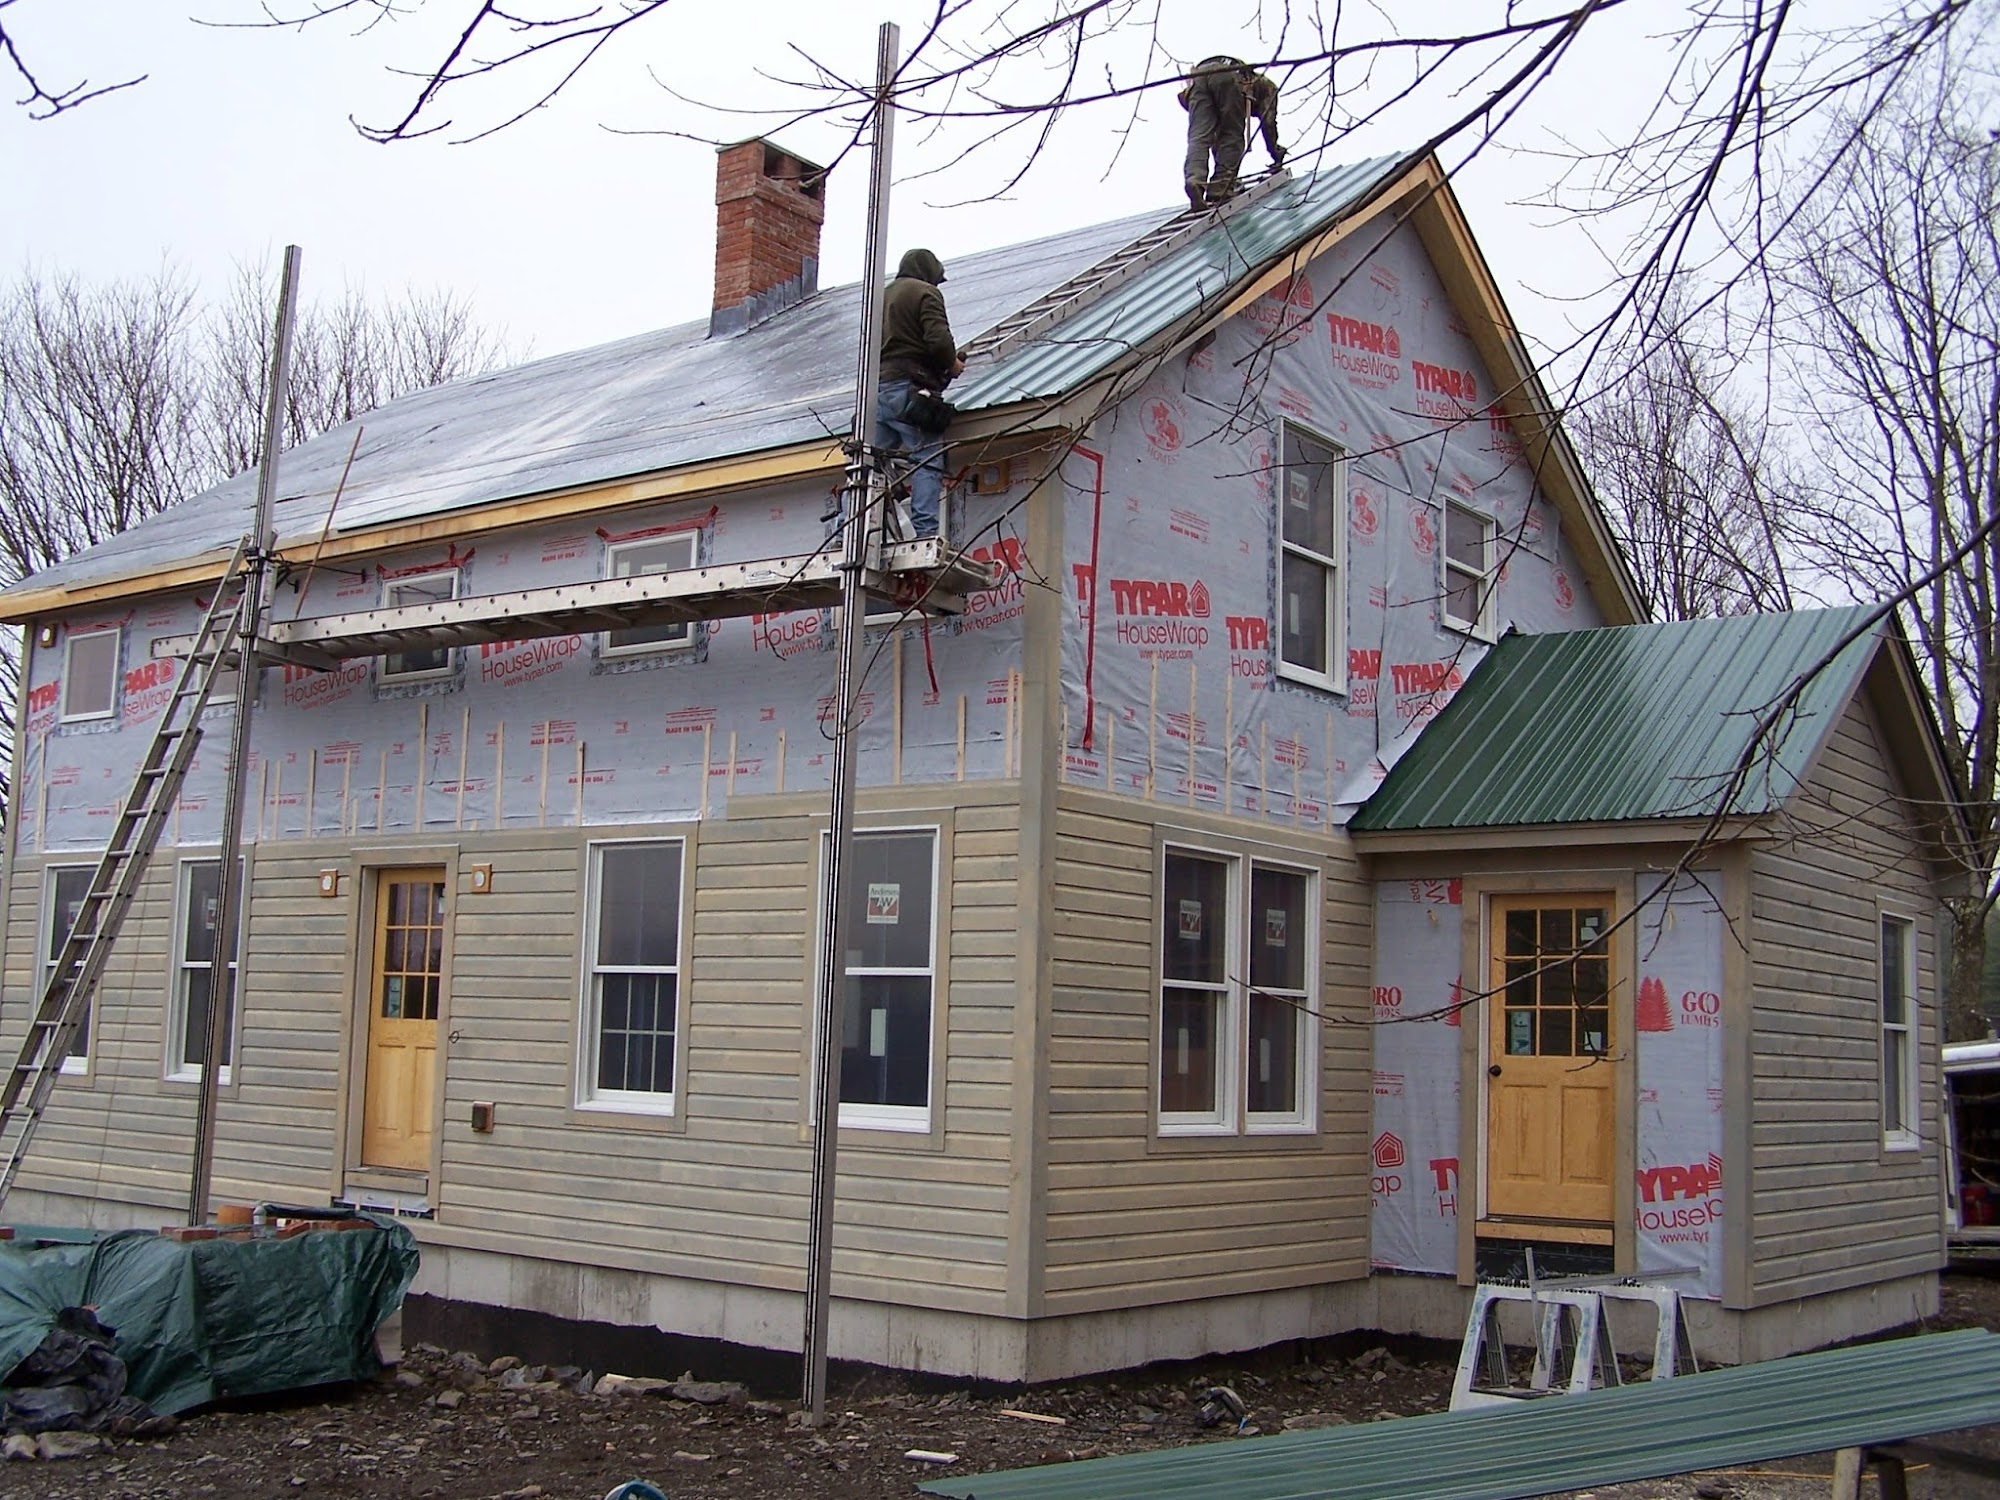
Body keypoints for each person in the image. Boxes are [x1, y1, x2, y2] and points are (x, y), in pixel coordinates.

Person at [876, 248, 965, 541]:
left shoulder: (881, 296)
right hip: (909, 389)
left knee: (868, 463)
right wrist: (952, 364)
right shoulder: (926, 293)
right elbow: (939, 341)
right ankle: (925, 533)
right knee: (927, 459)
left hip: (877, 393)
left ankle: (846, 528)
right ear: (928, 273)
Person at [1180, 56, 1284, 209]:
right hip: (1228, 74)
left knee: (1199, 137)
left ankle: (1195, 180)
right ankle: (1220, 188)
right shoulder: (1267, 87)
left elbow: (1216, 140)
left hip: (1198, 77)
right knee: (1232, 135)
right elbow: (1268, 123)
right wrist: (1275, 152)